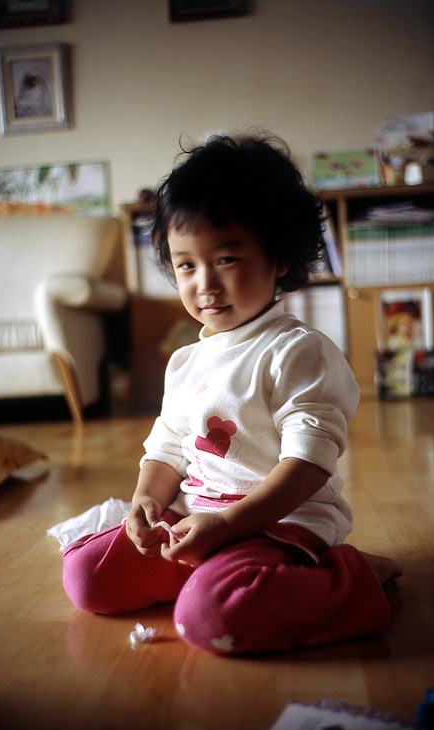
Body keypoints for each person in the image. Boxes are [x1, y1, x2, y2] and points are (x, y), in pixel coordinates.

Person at [63, 132, 402, 654]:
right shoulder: (185, 361)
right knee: (86, 575)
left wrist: (227, 525)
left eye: (226, 259)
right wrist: (147, 502)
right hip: (197, 520)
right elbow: (168, 447)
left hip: (277, 525)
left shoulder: (297, 350)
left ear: (279, 257)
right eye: (186, 265)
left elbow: (308, 463)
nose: (205, 284)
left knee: (211, 618)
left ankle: (351, 577)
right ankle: (207, 573)